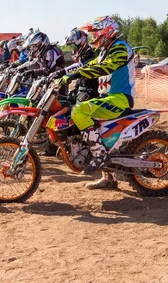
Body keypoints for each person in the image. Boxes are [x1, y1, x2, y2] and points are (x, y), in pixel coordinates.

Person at [56, 16, 135, 190]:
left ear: (105, 31)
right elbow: (86, 65)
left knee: (79, 111)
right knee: (99, 136)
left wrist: (75, 76)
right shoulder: (106, 50)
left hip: (120, 98)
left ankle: (99, 155)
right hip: (106, 98)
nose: (92, 38)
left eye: (94, 34)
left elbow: (106, 67)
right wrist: (62, 74)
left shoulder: (120, 48)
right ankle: (109, 177)